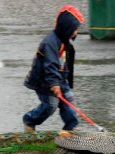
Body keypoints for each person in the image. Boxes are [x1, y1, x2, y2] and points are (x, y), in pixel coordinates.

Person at [22, 5, 84, 133]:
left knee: (68, 99)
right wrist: (54, 84)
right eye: (74, 29)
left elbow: (64, 63)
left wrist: (62, 81)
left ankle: (71, 127)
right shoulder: (50, 42)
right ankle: (30, 120)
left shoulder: (65, 41)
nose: (75, 33)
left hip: (58, 78)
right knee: (51, 105)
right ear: (66, 28)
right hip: (43, 80)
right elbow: (50, 65)